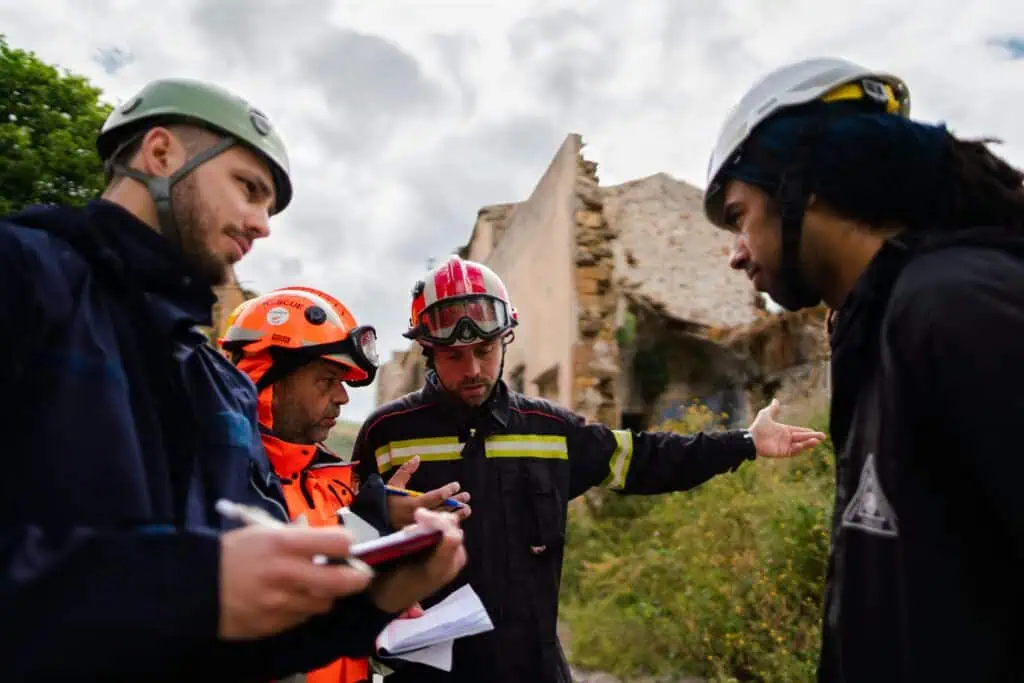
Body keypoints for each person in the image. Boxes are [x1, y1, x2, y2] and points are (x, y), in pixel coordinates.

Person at [0, 77, 465, 682]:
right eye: (249, 189)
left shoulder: (218, 387)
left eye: (269, 207)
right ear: (160, 153)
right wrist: (192, 584)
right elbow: (199, 593)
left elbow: (233, 635)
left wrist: (373, 598)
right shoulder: (21, 280)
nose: (263, 224)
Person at [352, 255, 826, 683]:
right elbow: (339, 538)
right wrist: (379, 515)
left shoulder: (548, 429)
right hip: (425, 674)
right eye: (455, 356)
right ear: (428, 352)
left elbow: (646, 458)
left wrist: (744, 442)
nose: (473, 368)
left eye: (486, 350)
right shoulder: (386, 434)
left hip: (533, 670)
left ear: (506, 340)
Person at [702, 56, 1024, 682]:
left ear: (805, 188)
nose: (736, 253)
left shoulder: (956, 307)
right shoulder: (880, 325)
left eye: (741, 216)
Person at [221, 285, 391, 683]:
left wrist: (385, 524)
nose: (343, 398)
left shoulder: (338, 486)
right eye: (327, 380)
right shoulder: (216, 487)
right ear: (265, 382)